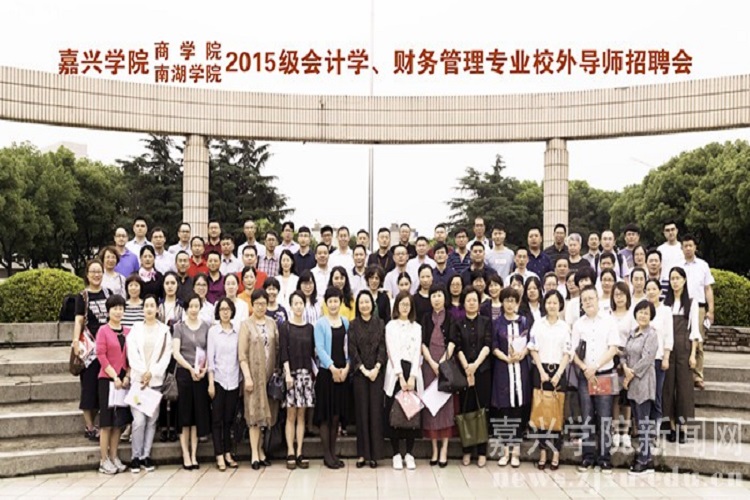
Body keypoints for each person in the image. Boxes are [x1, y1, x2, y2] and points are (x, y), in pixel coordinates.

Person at [572, 286, 623, 473]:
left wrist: (596, 366)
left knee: (604, 417)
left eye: (590, 298)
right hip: (585, 376)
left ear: (597, 299)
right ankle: (587, 457)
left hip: (603, 374)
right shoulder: (578, 324)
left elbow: (613, 348)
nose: (588, 302)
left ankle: (604, 458)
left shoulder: (609, 321)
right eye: (584, 300)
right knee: (587, 416)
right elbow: (573, 353)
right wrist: (585, 368)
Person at [126, 294, 171, 473]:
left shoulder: (165, 330)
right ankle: (135, 457)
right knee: (138, 420)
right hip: (139, 382)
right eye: (146, 306)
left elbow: (166, 356)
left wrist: (152, 372)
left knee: (152, 421)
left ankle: (146, 455)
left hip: (155, 381)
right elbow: (132, 353)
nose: (149, 309)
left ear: (157, 309)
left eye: (152, 306)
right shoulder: (136, 329)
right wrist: (143, 372)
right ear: (143, 309)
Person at [527, 290, 570, 470]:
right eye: (549, 302)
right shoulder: (538, 324)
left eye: (555, 303)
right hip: (540, 371)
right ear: (544, 305)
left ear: (560, 305)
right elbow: (533, 348)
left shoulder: (564, 327)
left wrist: (558, 373)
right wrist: (542, 371)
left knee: (556, 414)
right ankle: (543, 451)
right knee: (541, 413)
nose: (552, 306)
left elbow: (567, 352)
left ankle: (556, 451)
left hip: (558, 371)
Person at [239, 289, 280, 470]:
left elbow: (277, 348)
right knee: (254, 415)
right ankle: (254, 454)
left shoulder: (272, 323)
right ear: (252, 305)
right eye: (257, 304)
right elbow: (242, 355)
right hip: (253, 377)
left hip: (269, 377)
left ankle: (262, 450)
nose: (261, 307)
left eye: (264, 304)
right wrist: (247, 376)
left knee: (267, 415)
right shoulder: (246, 325)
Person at [451, 286, 492, 467]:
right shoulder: (458, 323)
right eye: (468, 300)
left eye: (475, 300)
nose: (472, 303)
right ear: (463, 303)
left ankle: (482, 452)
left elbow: (488, 344)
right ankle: (467, 450)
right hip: (464, 372)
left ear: (479, 302)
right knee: (466, 409)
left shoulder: (486, 321)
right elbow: (458, 347)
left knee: (482, 410)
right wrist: (467, 367)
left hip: (482, 371)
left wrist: (475, 366)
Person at [492, 287, 532, 468]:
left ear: (517, 303)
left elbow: (530, 343)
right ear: (502, 302)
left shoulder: (524, 321)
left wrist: (522, 354)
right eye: (506, 300)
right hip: (503, 368)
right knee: (504, 409)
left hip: (520, 368)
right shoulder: (497, 323)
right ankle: (505, 451)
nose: (509, 304)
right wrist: (506, 358)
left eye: (512, 301)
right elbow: (493, 346)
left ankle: (515, 451)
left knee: (518, 408)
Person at [384, 291, 424, 470]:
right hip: (396, 373)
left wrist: (413, 375)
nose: (405, 308)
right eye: (402, 304)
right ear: (397, 306)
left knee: (411, 414)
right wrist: (400, 376)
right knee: (395, 412)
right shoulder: (391, 326)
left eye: (408, 304)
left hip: (413, 372)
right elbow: (391, 351)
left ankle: (409, 453)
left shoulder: (417, 327)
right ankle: (395, 453)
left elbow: (417, 352)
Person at [313, 287, 351, 469]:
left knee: (336, 415)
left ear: (340, 302)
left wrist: (346, 368)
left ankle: (334, 453)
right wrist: (333, 368)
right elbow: (319, 349)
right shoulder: (320, 324)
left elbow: (349, 347)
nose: (334, 304)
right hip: (327, 374)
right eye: (330, 301)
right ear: (326, 303)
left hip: (342, 374)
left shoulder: (345, 322)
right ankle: (327, 455)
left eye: (336, 301)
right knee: (325, 416)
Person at [662, 266, 701, 444]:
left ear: (684, 280)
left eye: (678, 278)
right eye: (672, 279)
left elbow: (695, 331)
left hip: (685, 348)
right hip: (668, 349)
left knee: (684, 388)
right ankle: (671, 426)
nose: (675, 282)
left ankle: (682, 428)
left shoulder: (691, 303)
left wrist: (693, 354)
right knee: (668, 387)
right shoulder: (666, 304)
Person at [348, 290, 387, 469]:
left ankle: (375, 455)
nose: (364, 305)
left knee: (375, 413)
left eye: (367, 302)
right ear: (358, 305)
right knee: (362, 413)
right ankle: (362, 454)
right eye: (361, 302)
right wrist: (363, 369)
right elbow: (352, 349)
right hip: (360, 375)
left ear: (373, 304)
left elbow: (382, 348)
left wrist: (377, 367)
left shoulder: (380, 323)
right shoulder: (353, 324)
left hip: (377, 374)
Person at [172, 294, 211, 470]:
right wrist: (190, 368)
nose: (194, 309)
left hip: (200, 375)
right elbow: (176, 353)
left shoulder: (206, 327)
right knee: (184, 416)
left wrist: (203, 369)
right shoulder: (179, 327)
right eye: (191, 306)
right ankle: (185, 454)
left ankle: (194, 454)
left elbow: (209, 350)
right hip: (184, 374)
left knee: (197, 416)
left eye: (197, 306)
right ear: (186, 308)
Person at [95, 294, 131, 474]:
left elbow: (131, 357)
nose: (118, 311)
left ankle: (114, 456)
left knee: (118, 422)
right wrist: (114, 376)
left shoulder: (128, 332)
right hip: (107, 380)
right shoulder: (103, 330)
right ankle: (104, 460)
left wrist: (127, 376)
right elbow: (101, 355)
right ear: (108, 311)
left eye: (120, 308)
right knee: (106, 423)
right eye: (114, 308)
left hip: (123, 382)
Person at [622, 300, 659, 475]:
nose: (643, 315)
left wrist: (630, 374)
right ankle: (647, 458)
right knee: (638, 421)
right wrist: (624, 368)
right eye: (640, 312)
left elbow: (647, 359)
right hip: (631, 382)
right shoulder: (632, 333)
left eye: (646, 313)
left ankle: (643, 460)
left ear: (651, 316)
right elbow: (624, 354)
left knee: (643, 422)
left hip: (644, 381)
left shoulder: (651, 334)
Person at [280, 292, 316, 470]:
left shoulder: (310, 328)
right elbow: (283, 352)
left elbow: (312, 353)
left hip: (306, 375)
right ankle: (290, 451)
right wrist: (287, 374)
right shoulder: (285, 327)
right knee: (291, 415)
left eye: (301, 303)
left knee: (302, 415)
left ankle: (300, 451)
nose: (299, 306)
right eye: (295, 303)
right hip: (291, 375)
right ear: (291, 305)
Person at [420, 285, 455, 468]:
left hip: (446, 366)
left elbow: (453, 342)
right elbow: (422, 343)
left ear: (444, 297)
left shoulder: (451, 317)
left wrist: (441, 363)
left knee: (446, 407)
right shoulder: (426, 317)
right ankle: (434, 449)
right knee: (431, 406)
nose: (436, 299)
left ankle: (444, 450)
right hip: (428, 366)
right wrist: (432, 363)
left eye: (439, 295)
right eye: (433, 295)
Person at [207, 298, 241, 471]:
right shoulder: (213, 332)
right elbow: (210, 359)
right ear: (218, 312)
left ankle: (228, 452)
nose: (225, 312)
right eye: (222, 309)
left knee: (229, 419)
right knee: (217, 420)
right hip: (218, 380)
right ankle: (219, 454)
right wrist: (211, 383)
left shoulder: (237, 331)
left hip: (234, 380)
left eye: (228, 309)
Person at [680, 234, 715, 390]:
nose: (688, 248)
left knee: (698, 342)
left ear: (695, 247)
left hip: (699, 307)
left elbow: (708, 288)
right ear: (682, 248)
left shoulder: (703, 265)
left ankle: (698, 376)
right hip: (682, 307)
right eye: (685, 246)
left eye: (690, 245)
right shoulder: (678, 266)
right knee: (682, 341)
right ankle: (683, 375)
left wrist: (710, 310)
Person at [645, 278, 673, 450]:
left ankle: (654, 433)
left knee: (656, 397)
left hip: (658, 359)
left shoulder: (665, 311)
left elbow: (668, 335)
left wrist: (666, 357)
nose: (651, 292)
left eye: (654, 289)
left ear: (660, 291)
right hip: (643, 362)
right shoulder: (642, 309)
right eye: (648, 289)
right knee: (644, 398)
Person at [156, 271, 183, 443]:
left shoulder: (182, 306)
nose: (170, 286)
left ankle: (173, 426)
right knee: (161, 388)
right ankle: (162, 426)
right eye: (167, 283)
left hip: (176, 351)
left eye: (173, 283)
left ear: (177, 285)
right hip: (159, 351)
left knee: (174, 389)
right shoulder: (158, 306)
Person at [610, 281, 634, 452]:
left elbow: (633, 338)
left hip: (628, 359)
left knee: (627, 397)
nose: (619, 298)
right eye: (616, 294)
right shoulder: (607, 315)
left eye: (622, 294)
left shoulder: (632, 316)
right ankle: (615, 430)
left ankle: (625, 432)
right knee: (614, 396)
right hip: (611, 359)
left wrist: (623, 354)